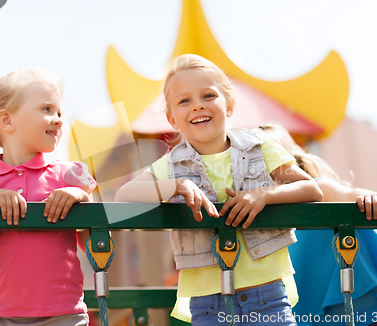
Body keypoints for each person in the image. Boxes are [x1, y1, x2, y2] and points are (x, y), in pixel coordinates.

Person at [115, 54, 323, 325]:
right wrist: (177, 185)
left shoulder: (259, 147)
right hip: (208, 304)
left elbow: (310, 188)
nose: (197, 106)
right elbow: (123, 196)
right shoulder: (171, 165)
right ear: (172, 118)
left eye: (208, 96)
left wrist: (264, 195)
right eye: (184, 101)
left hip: (267, 295)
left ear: (229, 105)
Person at [0, 68, 97, 326]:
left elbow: (97, 247)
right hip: (1, 317)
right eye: (46, 109)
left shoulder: (70, 175)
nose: (58, 119)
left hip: (65, 314)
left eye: (59, 113)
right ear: (7, 121)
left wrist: (81, 198)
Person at [255, 123, 377, 326]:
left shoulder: (316, 189)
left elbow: (344, 194)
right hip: (302, 302)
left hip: (356, 300)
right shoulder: (258, 209)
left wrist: (365, 196)